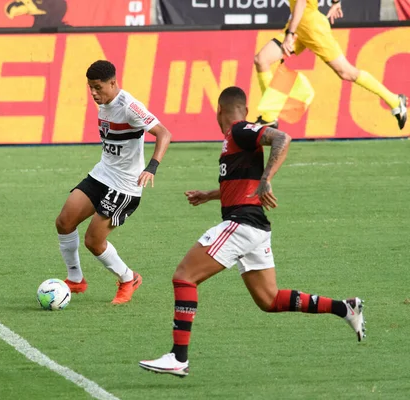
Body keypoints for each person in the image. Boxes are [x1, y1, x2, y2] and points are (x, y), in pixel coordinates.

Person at [138, 86, 365, 377]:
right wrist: (210, 194)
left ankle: (178, 357)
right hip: (254, 226)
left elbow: (283, 137)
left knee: (184, 277)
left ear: (219, 111)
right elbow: (242, 184)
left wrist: (267, 178)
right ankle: (346, 308)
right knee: (269, 300)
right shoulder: (234, 139)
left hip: (241, 224)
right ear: (245, 108)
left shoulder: (239, 129)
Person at [55, 60, 172, 304]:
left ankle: (129, 278)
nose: (93, 93)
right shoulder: (103, 104)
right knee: (64, 222)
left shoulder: (129, 106)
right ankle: (75, 280)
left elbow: (164, 133)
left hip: (125, 186)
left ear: (112, 82)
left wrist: (152, 166)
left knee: (93, 242)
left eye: (98, 87)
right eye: (90, 88)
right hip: (102, 174)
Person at [254, 0, 407, 130]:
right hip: (300, 24)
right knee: (262, 59)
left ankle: (394, 100)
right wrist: (336, 2)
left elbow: (300, 2)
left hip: (310, 26)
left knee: (346, 72)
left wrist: (290, 33)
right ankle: (269, 117)